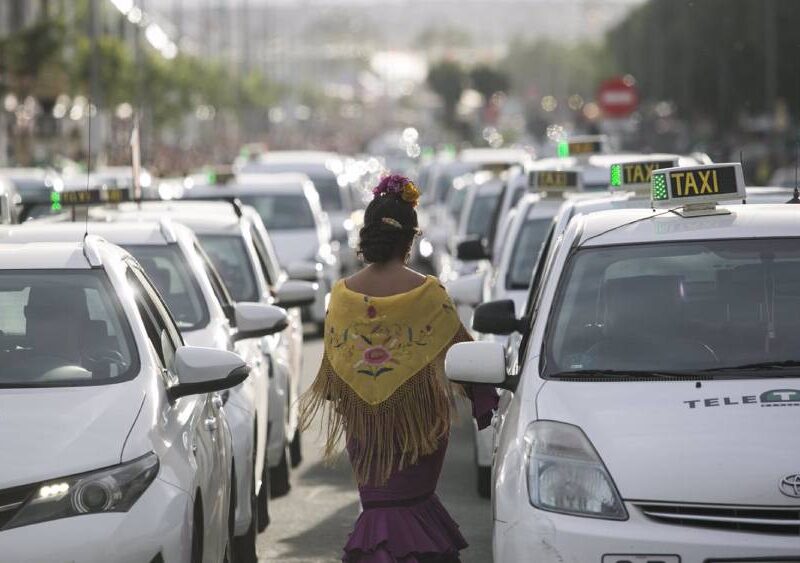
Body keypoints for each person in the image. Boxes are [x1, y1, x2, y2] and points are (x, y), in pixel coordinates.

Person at [299, 174, 498, 563]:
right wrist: (485, 399)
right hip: (421, 429)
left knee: (379, 511)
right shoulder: (429, 293)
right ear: (410, 240)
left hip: (365, 434)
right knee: (415, 506)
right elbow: (465, 357)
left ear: (367, 236)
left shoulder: (341, 296)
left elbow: (334, 379)